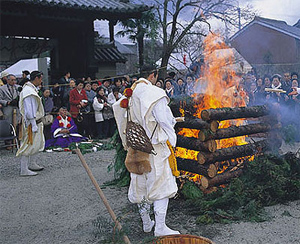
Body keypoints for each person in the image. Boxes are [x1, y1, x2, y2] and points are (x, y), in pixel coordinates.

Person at [112, 65, 180, 237]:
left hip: (136, 148)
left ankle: (146, 223)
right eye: (156, 77)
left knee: (140, 185)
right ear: (152, 75)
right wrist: (173, 139)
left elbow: (120, 118)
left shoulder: (129, 95)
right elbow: (164, 120)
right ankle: (160, 227)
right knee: (161, 186)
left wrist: (127, 143)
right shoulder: (154, 94)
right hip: (154, 147)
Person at [16, 71, 45, 176]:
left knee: (36, 143)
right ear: (36, 78)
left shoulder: (31, 89)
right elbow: (29, 110)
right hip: (32, 122)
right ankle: (24, 169)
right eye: (40, 78)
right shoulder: (28, 91)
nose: (41, 81)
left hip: (36, 121)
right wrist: (33, 124)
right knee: (28, 145)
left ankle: (32, 163)